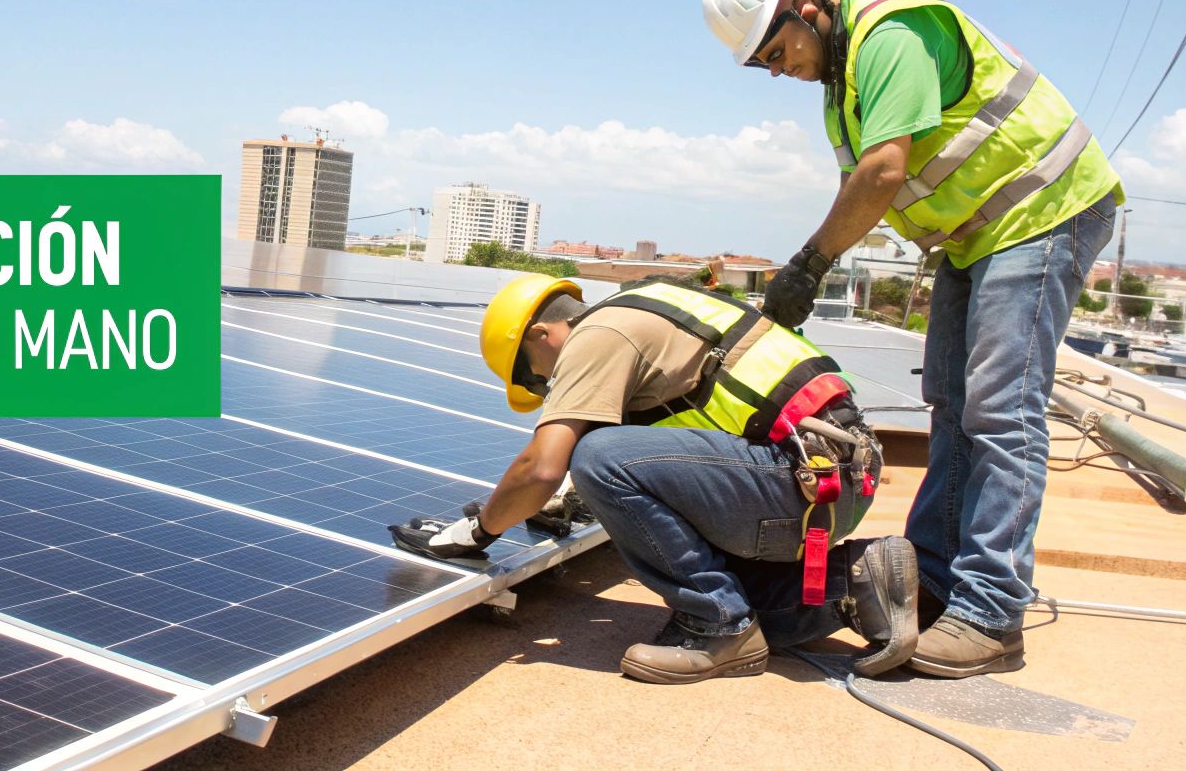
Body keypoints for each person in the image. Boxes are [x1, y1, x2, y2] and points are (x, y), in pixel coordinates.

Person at [700, 0, 1123, 677]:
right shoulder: (843, 81)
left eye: (776, 50)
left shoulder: (888, 36)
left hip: (1044, 211)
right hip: (977, 238)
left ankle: (991, 611)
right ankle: (930, 583)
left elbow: (883, 173)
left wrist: (809, 265)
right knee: (951, 408)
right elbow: (865, 190)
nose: (776, 69)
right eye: (760, 64)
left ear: (806, 6)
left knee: (1000, 411)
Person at [391, 273, 920, 684]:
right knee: (767, 618)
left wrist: (479, 531)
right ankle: (855, 578)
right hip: (827, 479)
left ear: (540, 333)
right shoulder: (654, 304)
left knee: (597, 456)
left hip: (795, 484)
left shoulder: (596, 335)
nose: (545, 385)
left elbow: (545, 466)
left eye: (532, 374)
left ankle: (717, 627)